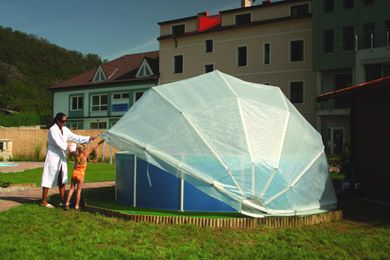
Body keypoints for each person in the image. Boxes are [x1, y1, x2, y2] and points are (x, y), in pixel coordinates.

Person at [41, 112, 96, 208]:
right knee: (48, 177)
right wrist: (70, 148)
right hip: (53, 156)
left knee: (62, 178)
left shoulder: (65, 129)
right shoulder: (52, 130)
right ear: (57, 120)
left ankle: (62, 201)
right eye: (63, 121)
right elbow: (59, 143)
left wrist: (88, 138)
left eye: (66, 121)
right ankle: (44, 202)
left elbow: (75, 137)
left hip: (61, 156)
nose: (64, 123)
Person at [65, 140, 104, 210]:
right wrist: (100, 142)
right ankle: (76, 206)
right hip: (81, 175)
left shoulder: (76, 155)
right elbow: (93, 147)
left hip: (74, 173)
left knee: (71, 189)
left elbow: (70, 151)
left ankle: (67, 203)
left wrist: (69, 146)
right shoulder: (85, 155)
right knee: (78, 190)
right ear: (83, 150)